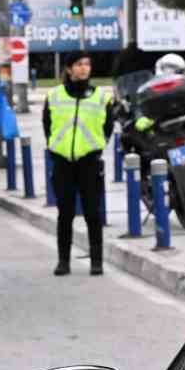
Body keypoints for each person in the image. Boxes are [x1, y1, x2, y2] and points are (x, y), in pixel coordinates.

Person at [42, 50, 114, 276]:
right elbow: (48, 126)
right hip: (62, 162)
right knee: (65, 213)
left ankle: (96, 261)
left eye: (87, 64)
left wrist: (95, 149)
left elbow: (108, 128)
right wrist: (57, 151)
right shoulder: (54, 96)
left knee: (93, 213)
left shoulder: (101, 97)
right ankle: (63, 261)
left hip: (89, 161)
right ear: (68, 68)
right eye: (79, 64)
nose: (84, 68)